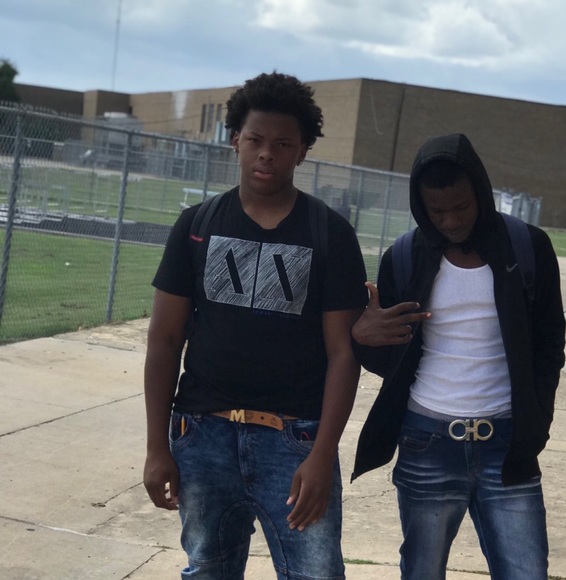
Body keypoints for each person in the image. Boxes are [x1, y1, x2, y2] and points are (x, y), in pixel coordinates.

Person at [143, 72, 368, 579]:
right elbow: (164, 340)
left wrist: (322, 453)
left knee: (315, 574)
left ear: (302, 151)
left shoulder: (330, 234)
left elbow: (343, 354)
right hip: (202, 435)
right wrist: (157, 446)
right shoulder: (196, 225)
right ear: (235, 141)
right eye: (255, 140)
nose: (267, 154)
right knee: (208, 569)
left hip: (295, 441)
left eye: (283, 144)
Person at [351, 133, 566, 579]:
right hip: (426, 441)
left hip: (507, 445)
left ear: (481, 194)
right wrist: (363, 337)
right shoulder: (404, 257)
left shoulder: (528, 247)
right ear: (421, 206)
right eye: (437, 211)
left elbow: (549, 346)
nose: (450, 220)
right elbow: (390, 363)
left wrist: (535, 423)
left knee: (527, 572)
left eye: (461, 207)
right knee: (422, 571)